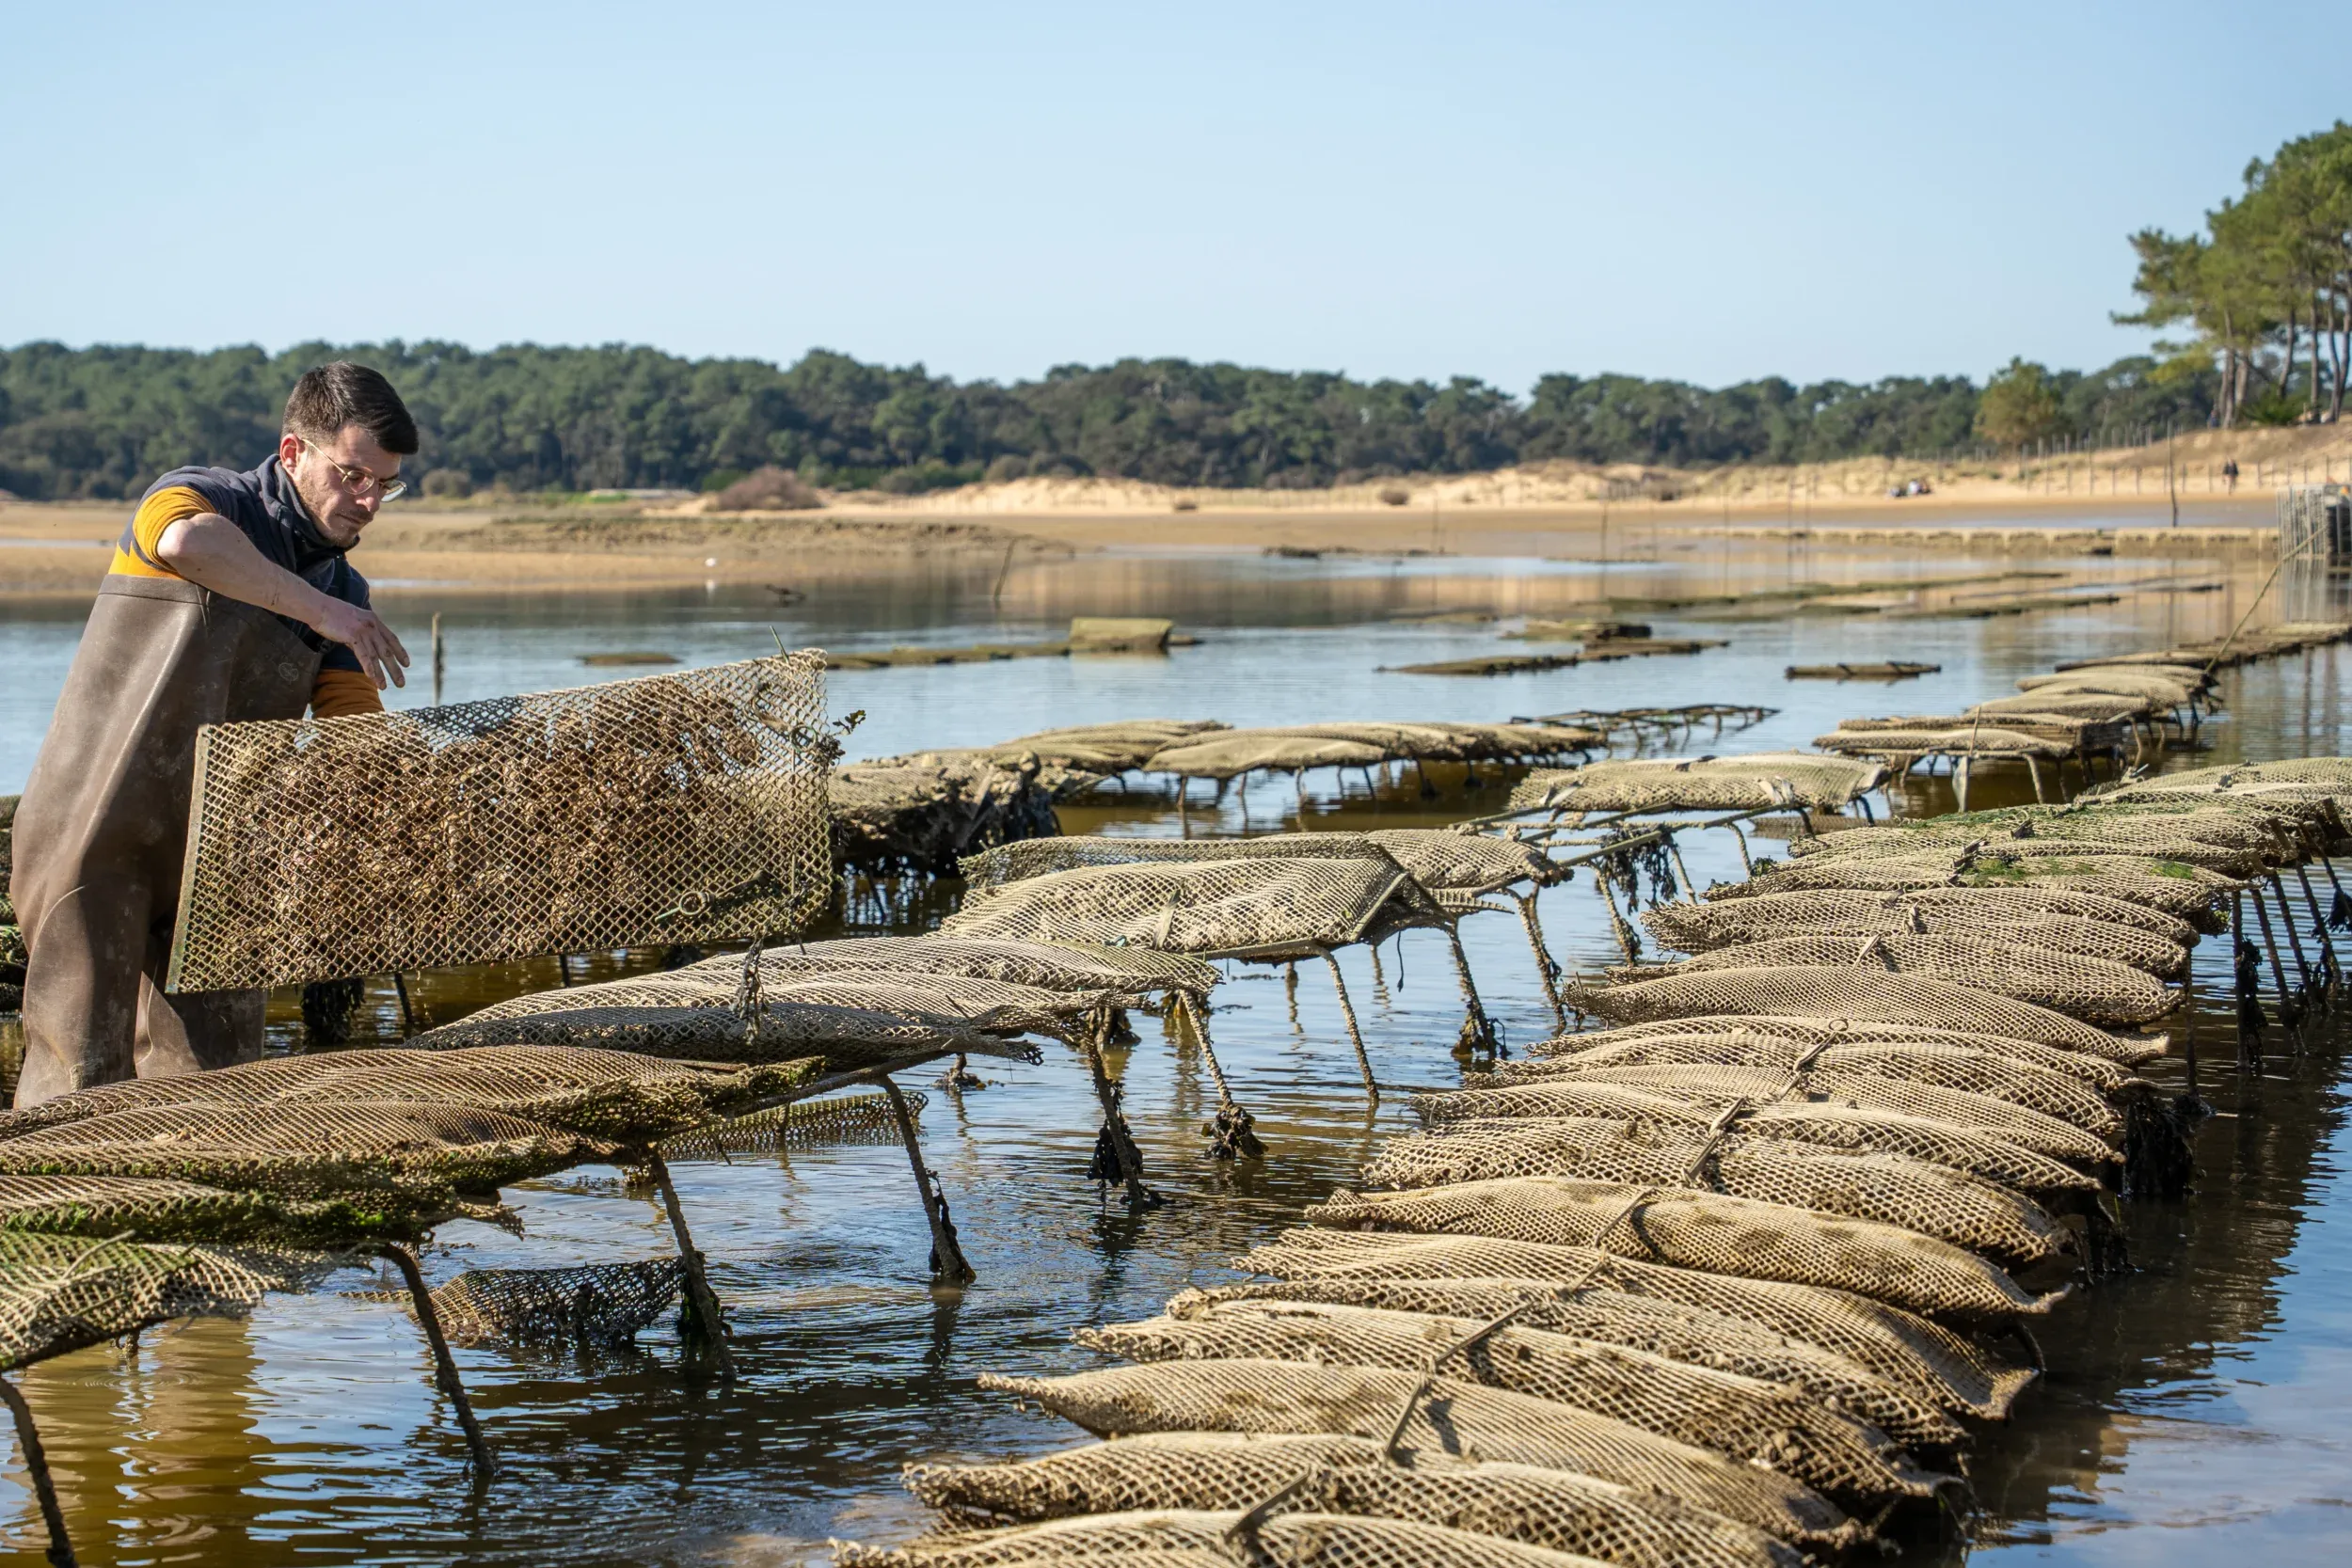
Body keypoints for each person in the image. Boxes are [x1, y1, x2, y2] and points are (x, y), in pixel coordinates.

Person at [8, 363, 415, 1106]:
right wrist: (324, 615)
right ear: (293, 452)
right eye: (353, 474)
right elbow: (185, 544)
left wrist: (397, 797)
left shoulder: (344, 591)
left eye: (384, 485)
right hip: (93, 833)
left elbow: (356, 734)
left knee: (219, 1088)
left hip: (219, 856)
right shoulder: (203, 496)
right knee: (78, 1078)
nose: (367, 501)